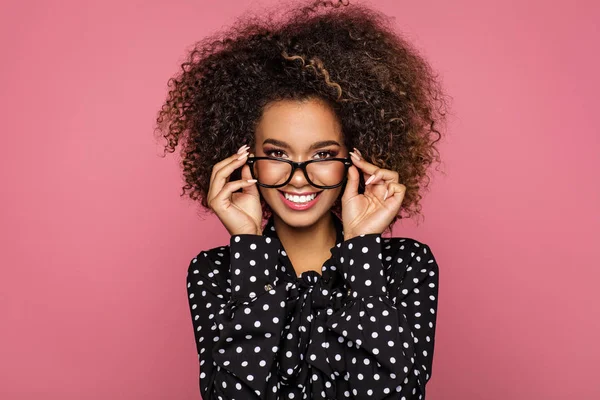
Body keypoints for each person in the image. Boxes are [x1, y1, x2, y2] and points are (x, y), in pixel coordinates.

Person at [154, 1, 447, 398]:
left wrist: (362, 249)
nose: (298, 176)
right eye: (276, 154)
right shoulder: (215, 273)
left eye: (323, 155)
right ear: (246, 159)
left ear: (354, 160)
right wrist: (247, 245)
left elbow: (396, 393)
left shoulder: (404, 266)